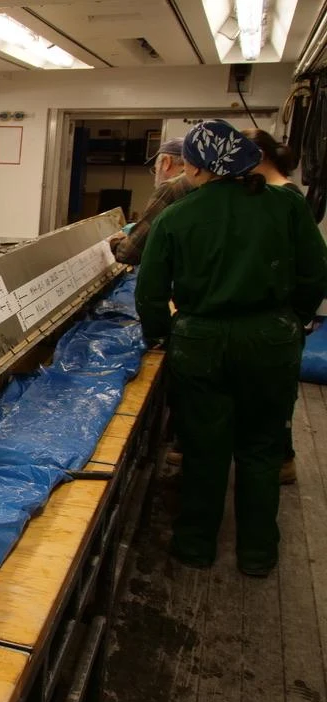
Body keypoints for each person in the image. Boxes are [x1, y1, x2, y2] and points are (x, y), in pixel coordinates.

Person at [136, 119, 327, 577]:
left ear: (197, 168)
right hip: (270, 340)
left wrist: (164, 335)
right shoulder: (286, 205)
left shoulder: (177, 216)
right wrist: (292, 321)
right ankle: (258, 553)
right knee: (262, 448)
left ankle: (195, 545)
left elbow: (150, 292)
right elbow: (315, 272)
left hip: (200, 342)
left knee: (205, 448)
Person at [244, 128, 305, 484]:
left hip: (278, 317)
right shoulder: (269, 194)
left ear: (259, 156)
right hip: (276, 319)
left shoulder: (285, 198)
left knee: (274, 401)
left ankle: (282, 460)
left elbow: (306, 266)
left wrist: (295, 315)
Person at [109, 138, 192, 266]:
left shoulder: (171, 188)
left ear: (166, 162)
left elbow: (129, 253)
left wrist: (115, 241)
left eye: (155, 169)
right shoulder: (201, 183)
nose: (155, 176)